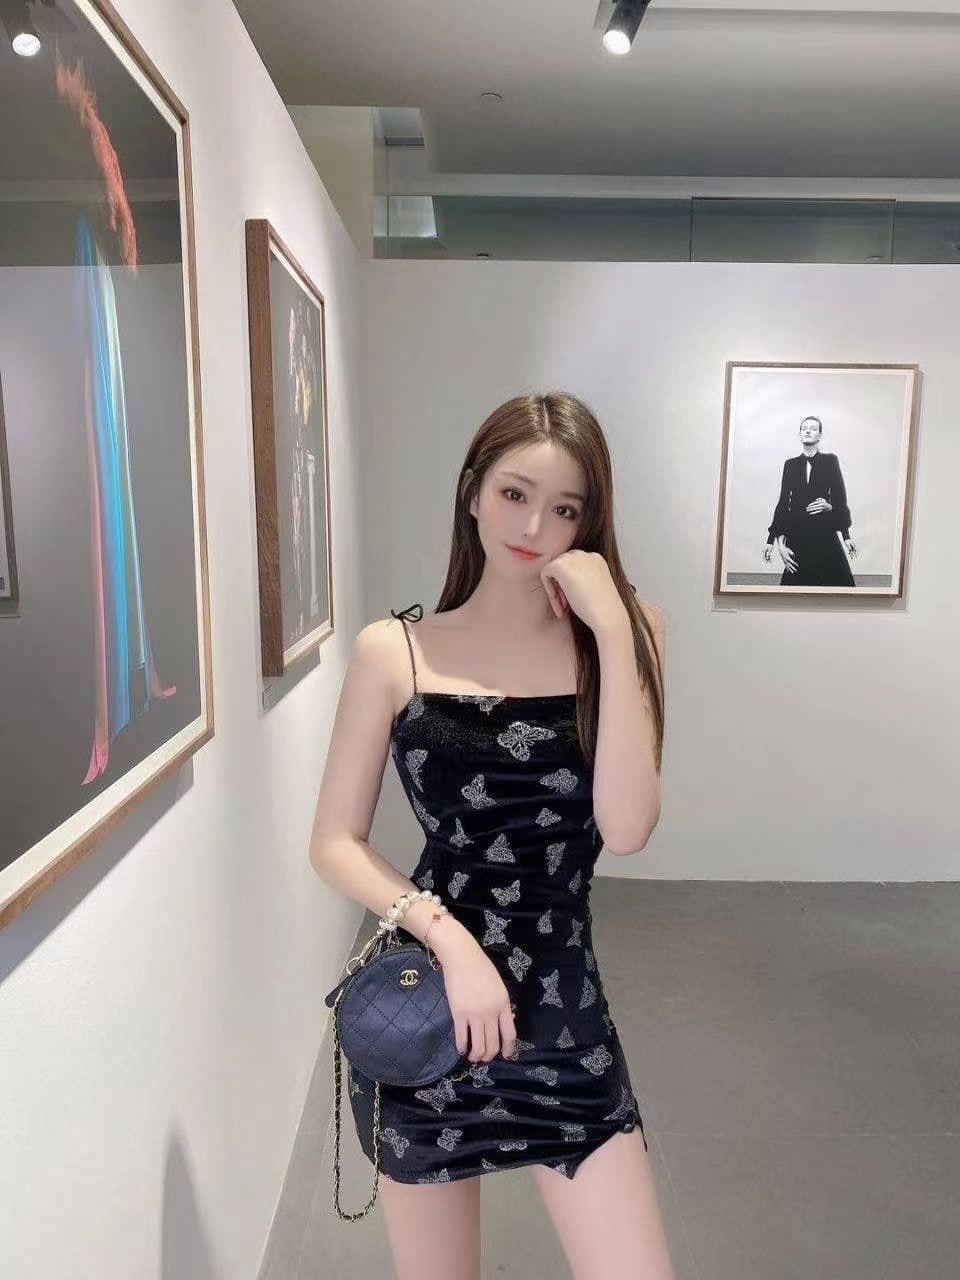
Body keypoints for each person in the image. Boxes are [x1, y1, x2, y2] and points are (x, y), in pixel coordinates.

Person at [310, 391, 673, 1280]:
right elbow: (334, 842)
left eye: (566, 509)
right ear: (472, 493)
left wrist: (613, 629)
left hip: (563, 1009)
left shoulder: (627, 635)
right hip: (435, 1010)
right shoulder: (394, 651)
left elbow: (626, 828)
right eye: (515, 494)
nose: (534, 527)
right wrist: (450, 942)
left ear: (589, 525)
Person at [762, 415, 858, 587]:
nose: (808, 431)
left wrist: (846, 536)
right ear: (799, 434)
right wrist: (773, 542)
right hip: (798, 537)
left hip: (825, 535)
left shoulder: (830, 461)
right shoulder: (790, 465)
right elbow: (783, 504)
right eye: (804, 428)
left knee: (840, 590)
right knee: (794, 592)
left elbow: (840, 500)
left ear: (820, 435)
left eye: (813, 428)